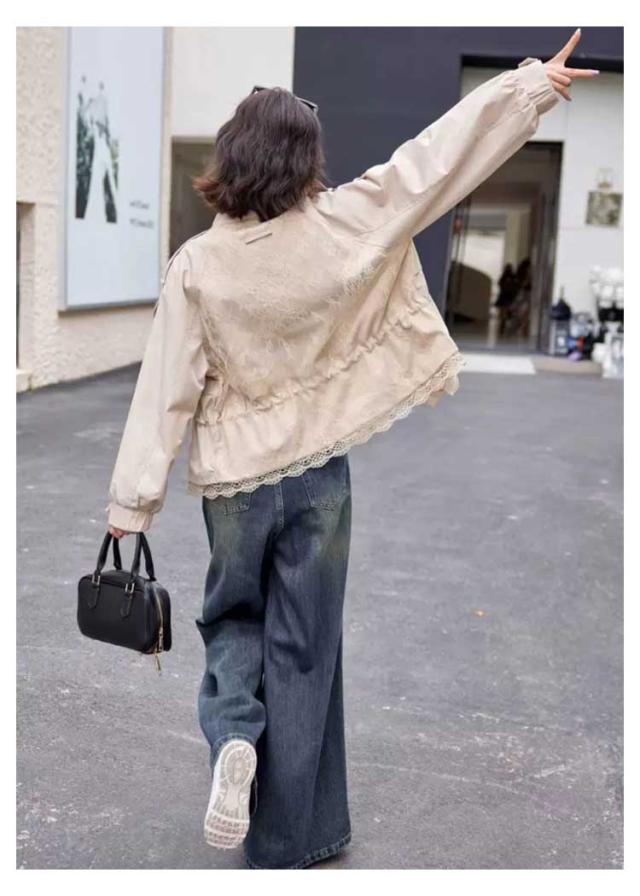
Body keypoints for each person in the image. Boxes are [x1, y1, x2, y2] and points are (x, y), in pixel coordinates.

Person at [106, 30, 597, 869]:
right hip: (319, 475)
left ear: (233, 156)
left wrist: (132, 503)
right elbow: (433, 163)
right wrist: (525, 90)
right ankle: (291, 837)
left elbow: (165, 390)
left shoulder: (198, 265)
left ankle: (235, 734)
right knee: (307, 646)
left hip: (236, 482)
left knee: (234, 618)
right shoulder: (343, 223)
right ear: (305, 161)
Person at [495, 263, 520, 336]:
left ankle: (503, 327)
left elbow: (500, 284)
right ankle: (503, 327)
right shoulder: (509, 276)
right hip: (507, 297)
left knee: (504, 313)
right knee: (504, 313)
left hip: (506, 296)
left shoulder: (507, 276)